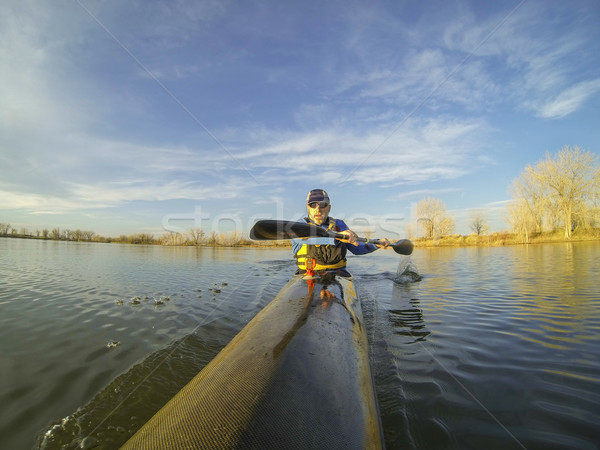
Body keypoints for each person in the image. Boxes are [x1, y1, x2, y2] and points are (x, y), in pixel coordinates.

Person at [292, 189, 390, 272]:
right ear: (308, 208)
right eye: (313, 205)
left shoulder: (339, 225)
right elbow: (306, 239)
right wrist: (337, 238)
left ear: (329, 208)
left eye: (322, 204)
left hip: (338, 274)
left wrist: (376, 244)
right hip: (307, 275)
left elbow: (356, 248)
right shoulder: (299, 226)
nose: (318, 209)